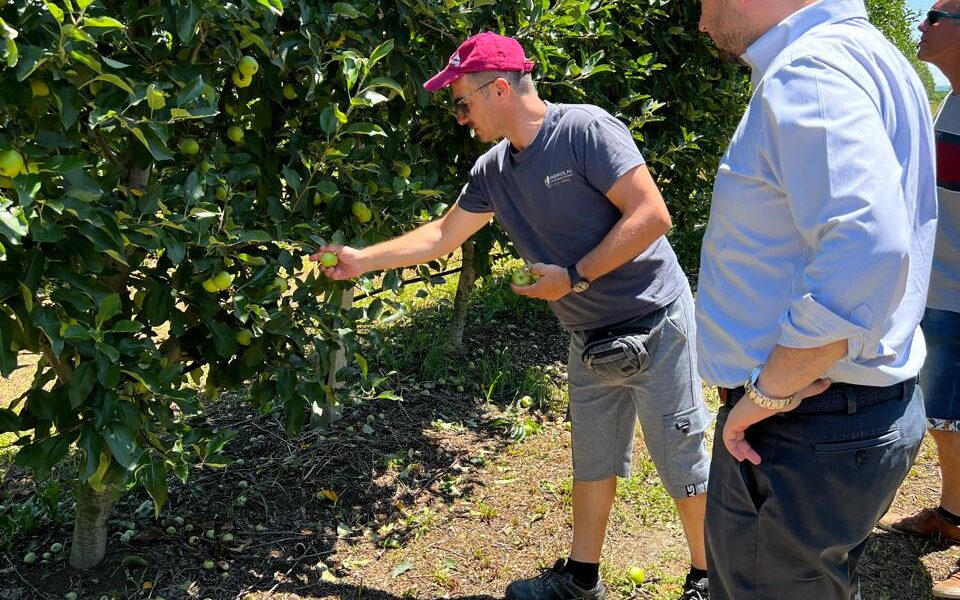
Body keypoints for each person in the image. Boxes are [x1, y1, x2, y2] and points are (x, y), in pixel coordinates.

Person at [310, 32, 712, 600]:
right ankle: (581, 579)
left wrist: (572, 277)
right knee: (592, 457)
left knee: (680, 457)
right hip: (588, 333)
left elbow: (651, 215)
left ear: (499, 88)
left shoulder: (585, 132)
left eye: (461, 101)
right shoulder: (493, 170)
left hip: (654, 319)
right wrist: (360, 262)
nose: (459, 116)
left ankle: (708, 576)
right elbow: (442, 235)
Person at [695, 0, 937, 598]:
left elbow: (868, 249)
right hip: (844, 414)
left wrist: (767, 393)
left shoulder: (813, 68)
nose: (700, 22)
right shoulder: (871, 56)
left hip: (801, 422)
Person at [877, 3, 960, 597]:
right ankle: (954, 516)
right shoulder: (949, 102)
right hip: (942, 292)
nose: (921, 24)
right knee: (947, 417)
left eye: (935, 16)